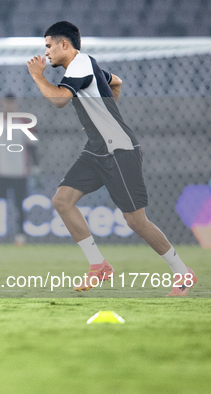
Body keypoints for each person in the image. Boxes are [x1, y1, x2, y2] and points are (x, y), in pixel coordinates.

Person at [27, 21, 196, 296]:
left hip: (119, 150)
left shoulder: (80, 65)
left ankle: (182, 272)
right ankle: (99, 266)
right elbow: (116, 81)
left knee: (136, 221)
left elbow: (58, 100)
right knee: (62, 200)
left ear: (64, 44)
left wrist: (37, 75)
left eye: (48, 46)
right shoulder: (85, 67)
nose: (45, 53)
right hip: (96, 148)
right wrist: (102, 114)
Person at [0, 94, 39, 247]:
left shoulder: (25, 123)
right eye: (6, 103)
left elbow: (33, 147)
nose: (9, 106)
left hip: (20, 172)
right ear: (2, 104)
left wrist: (36, 166)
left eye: (11, 103)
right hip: (0, 172)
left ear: (16, 104)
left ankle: (20, 235)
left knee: (19, 205)